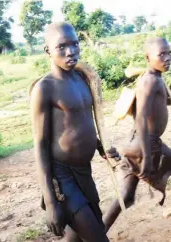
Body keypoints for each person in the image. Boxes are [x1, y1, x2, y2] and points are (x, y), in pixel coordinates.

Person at [103, 37, 171, 242]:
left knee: (127, 196)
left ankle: (94, 234)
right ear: (147, 57)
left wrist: (168, 100)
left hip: (138, 144)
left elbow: (150, 106)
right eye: (162, 55)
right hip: (146, 144)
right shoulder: (150, 80)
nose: (167, 58)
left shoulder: (155, 77)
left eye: (169, 53)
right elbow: (141, 118)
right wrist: (149, 158)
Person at [30, 22, 119, 242]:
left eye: (75, 44)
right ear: (47, 50)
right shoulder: (45, 88)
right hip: (62, 177)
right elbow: (40, 145)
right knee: (97, 237)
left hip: (83, 172)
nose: (71, 51)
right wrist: (51, 202)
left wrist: (101, 146)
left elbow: (81, 123)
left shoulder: (82, 79)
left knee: (80, 233)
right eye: (61, 46)